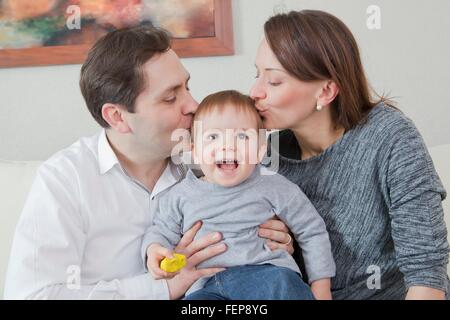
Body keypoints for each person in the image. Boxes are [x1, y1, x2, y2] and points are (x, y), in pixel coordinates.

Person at [4, 26, 292, 300]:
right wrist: (162, 288)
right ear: (117, 117)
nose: (193, 105)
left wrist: (280, 244)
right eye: (170, 97)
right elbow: (32, 295)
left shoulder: (208, 159)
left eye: (187, 87)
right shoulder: (66, 179)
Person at [250, 10, 449, 299]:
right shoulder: (265, 157)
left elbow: (427, 277)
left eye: (274, 81)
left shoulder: (390, 137)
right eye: (256, 74)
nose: (255, 91)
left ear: (326, 91)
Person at [144, 90, 336, 300]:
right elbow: (161, 231)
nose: (227, 145)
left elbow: (312, 230)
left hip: (266, 274)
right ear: (195, 152)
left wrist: (321, 288)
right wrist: (155, 250)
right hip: (206, 286)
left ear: (260, 150)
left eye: (242, 136)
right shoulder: (180, 195)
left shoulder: (273, 185)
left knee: (284, 284)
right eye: (213, 137)